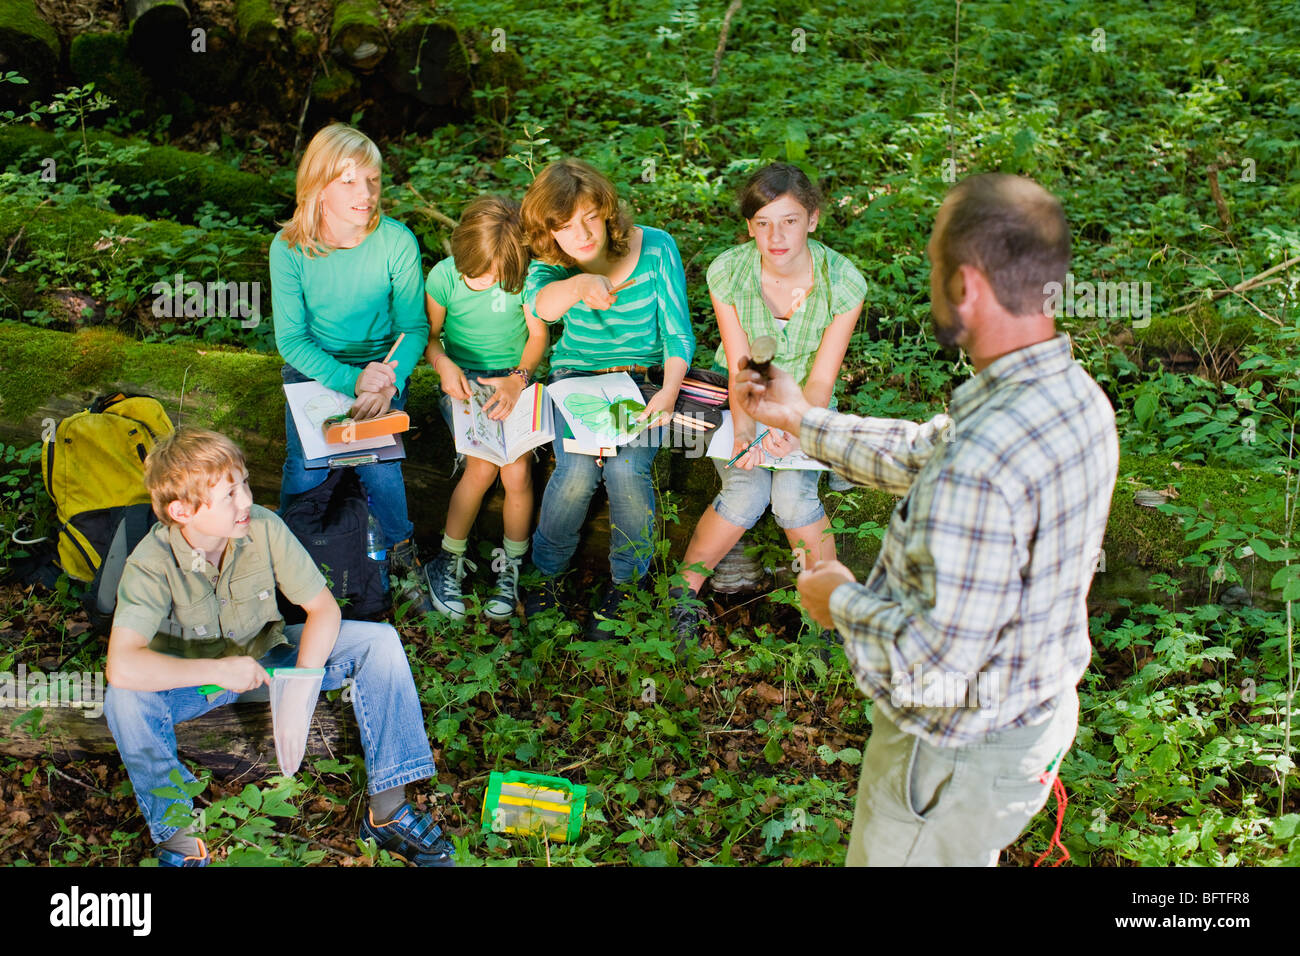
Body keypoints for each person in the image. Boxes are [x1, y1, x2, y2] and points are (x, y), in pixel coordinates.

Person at [732, 173, 1119, 866]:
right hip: (1026, 724)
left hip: (949, 760)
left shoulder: (986, 461)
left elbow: (929, 667)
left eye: (936, 268)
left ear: (966, 285)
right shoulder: (1074, 396)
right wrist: (800, 419)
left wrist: (836, 600)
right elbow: (926, 451)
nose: (931, 283)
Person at [103, 428, 455, 867]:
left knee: (378, 642)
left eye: (245, 483)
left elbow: (323, 610)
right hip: (194, 682)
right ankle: (178, 839)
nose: (247, 500)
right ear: (182, 510)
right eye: (229, 494)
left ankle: (388, 811)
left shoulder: (264, 527)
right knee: (124, 700)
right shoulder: (150, 564)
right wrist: (217, 671)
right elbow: (121, 666)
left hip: (271, 658)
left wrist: (303, 685)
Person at [673, 163, 866, 641]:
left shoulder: (842, 283)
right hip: (745, 398)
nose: (776, 236)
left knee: (792, 493)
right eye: (763, 223)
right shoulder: (730, 272)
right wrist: (744, 432)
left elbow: (822, 378)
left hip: (808, 403)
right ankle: (680, 598)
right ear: (749, 227)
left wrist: (791, 425)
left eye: (789, 220)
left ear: (813, 219)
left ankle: (829, 617)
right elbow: (742, 367)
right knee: (745, 488)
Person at [518, 159, 695, 636]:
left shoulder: (656, 247)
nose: (581, 234)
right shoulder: (552, 263)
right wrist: (578, 284)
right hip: (577, 378)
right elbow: (540, 308)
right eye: (565, 226)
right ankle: (547, 575)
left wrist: (670, 392)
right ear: (549, 231)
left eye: (589, 217)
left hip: (643, 381)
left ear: (607, 210)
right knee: (575, 470)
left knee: (627, 468)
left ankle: (626, 586)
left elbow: (679, 335)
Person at [269, 123, 434, 613]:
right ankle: (286, 556)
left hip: (383, 369)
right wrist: (348, 379)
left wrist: (387, 381)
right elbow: (292, 340)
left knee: (380, 465)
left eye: (373, 181)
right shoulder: (290, 249)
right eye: (347, 181)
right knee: (305, 464)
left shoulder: (395, 241)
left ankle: (401, 558)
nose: (364, 194)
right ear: (317, 187)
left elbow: (414, 329)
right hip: (317, 371)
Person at [423, 195, 548, 620]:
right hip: (464, 381)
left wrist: (519, 379)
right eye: (477, 275)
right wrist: (443, 365)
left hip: (514, 380)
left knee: (517, 470)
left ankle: (511, 565)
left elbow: (536, 338)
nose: (487, 281)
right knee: (481, 466)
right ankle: (448, 559)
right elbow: (431, 337)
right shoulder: (443, 277)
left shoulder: (526, 277)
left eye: (495, 275)